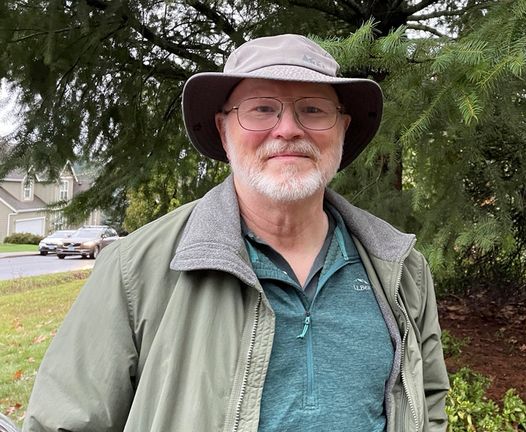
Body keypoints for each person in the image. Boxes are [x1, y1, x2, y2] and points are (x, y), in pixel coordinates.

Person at [23, 34, 449, 431]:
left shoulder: (400, 268)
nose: (288, 129)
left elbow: (427, 402)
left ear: (342, 130)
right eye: (261, 108)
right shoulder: (134, 272)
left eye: (313, 110)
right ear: (225, 131)